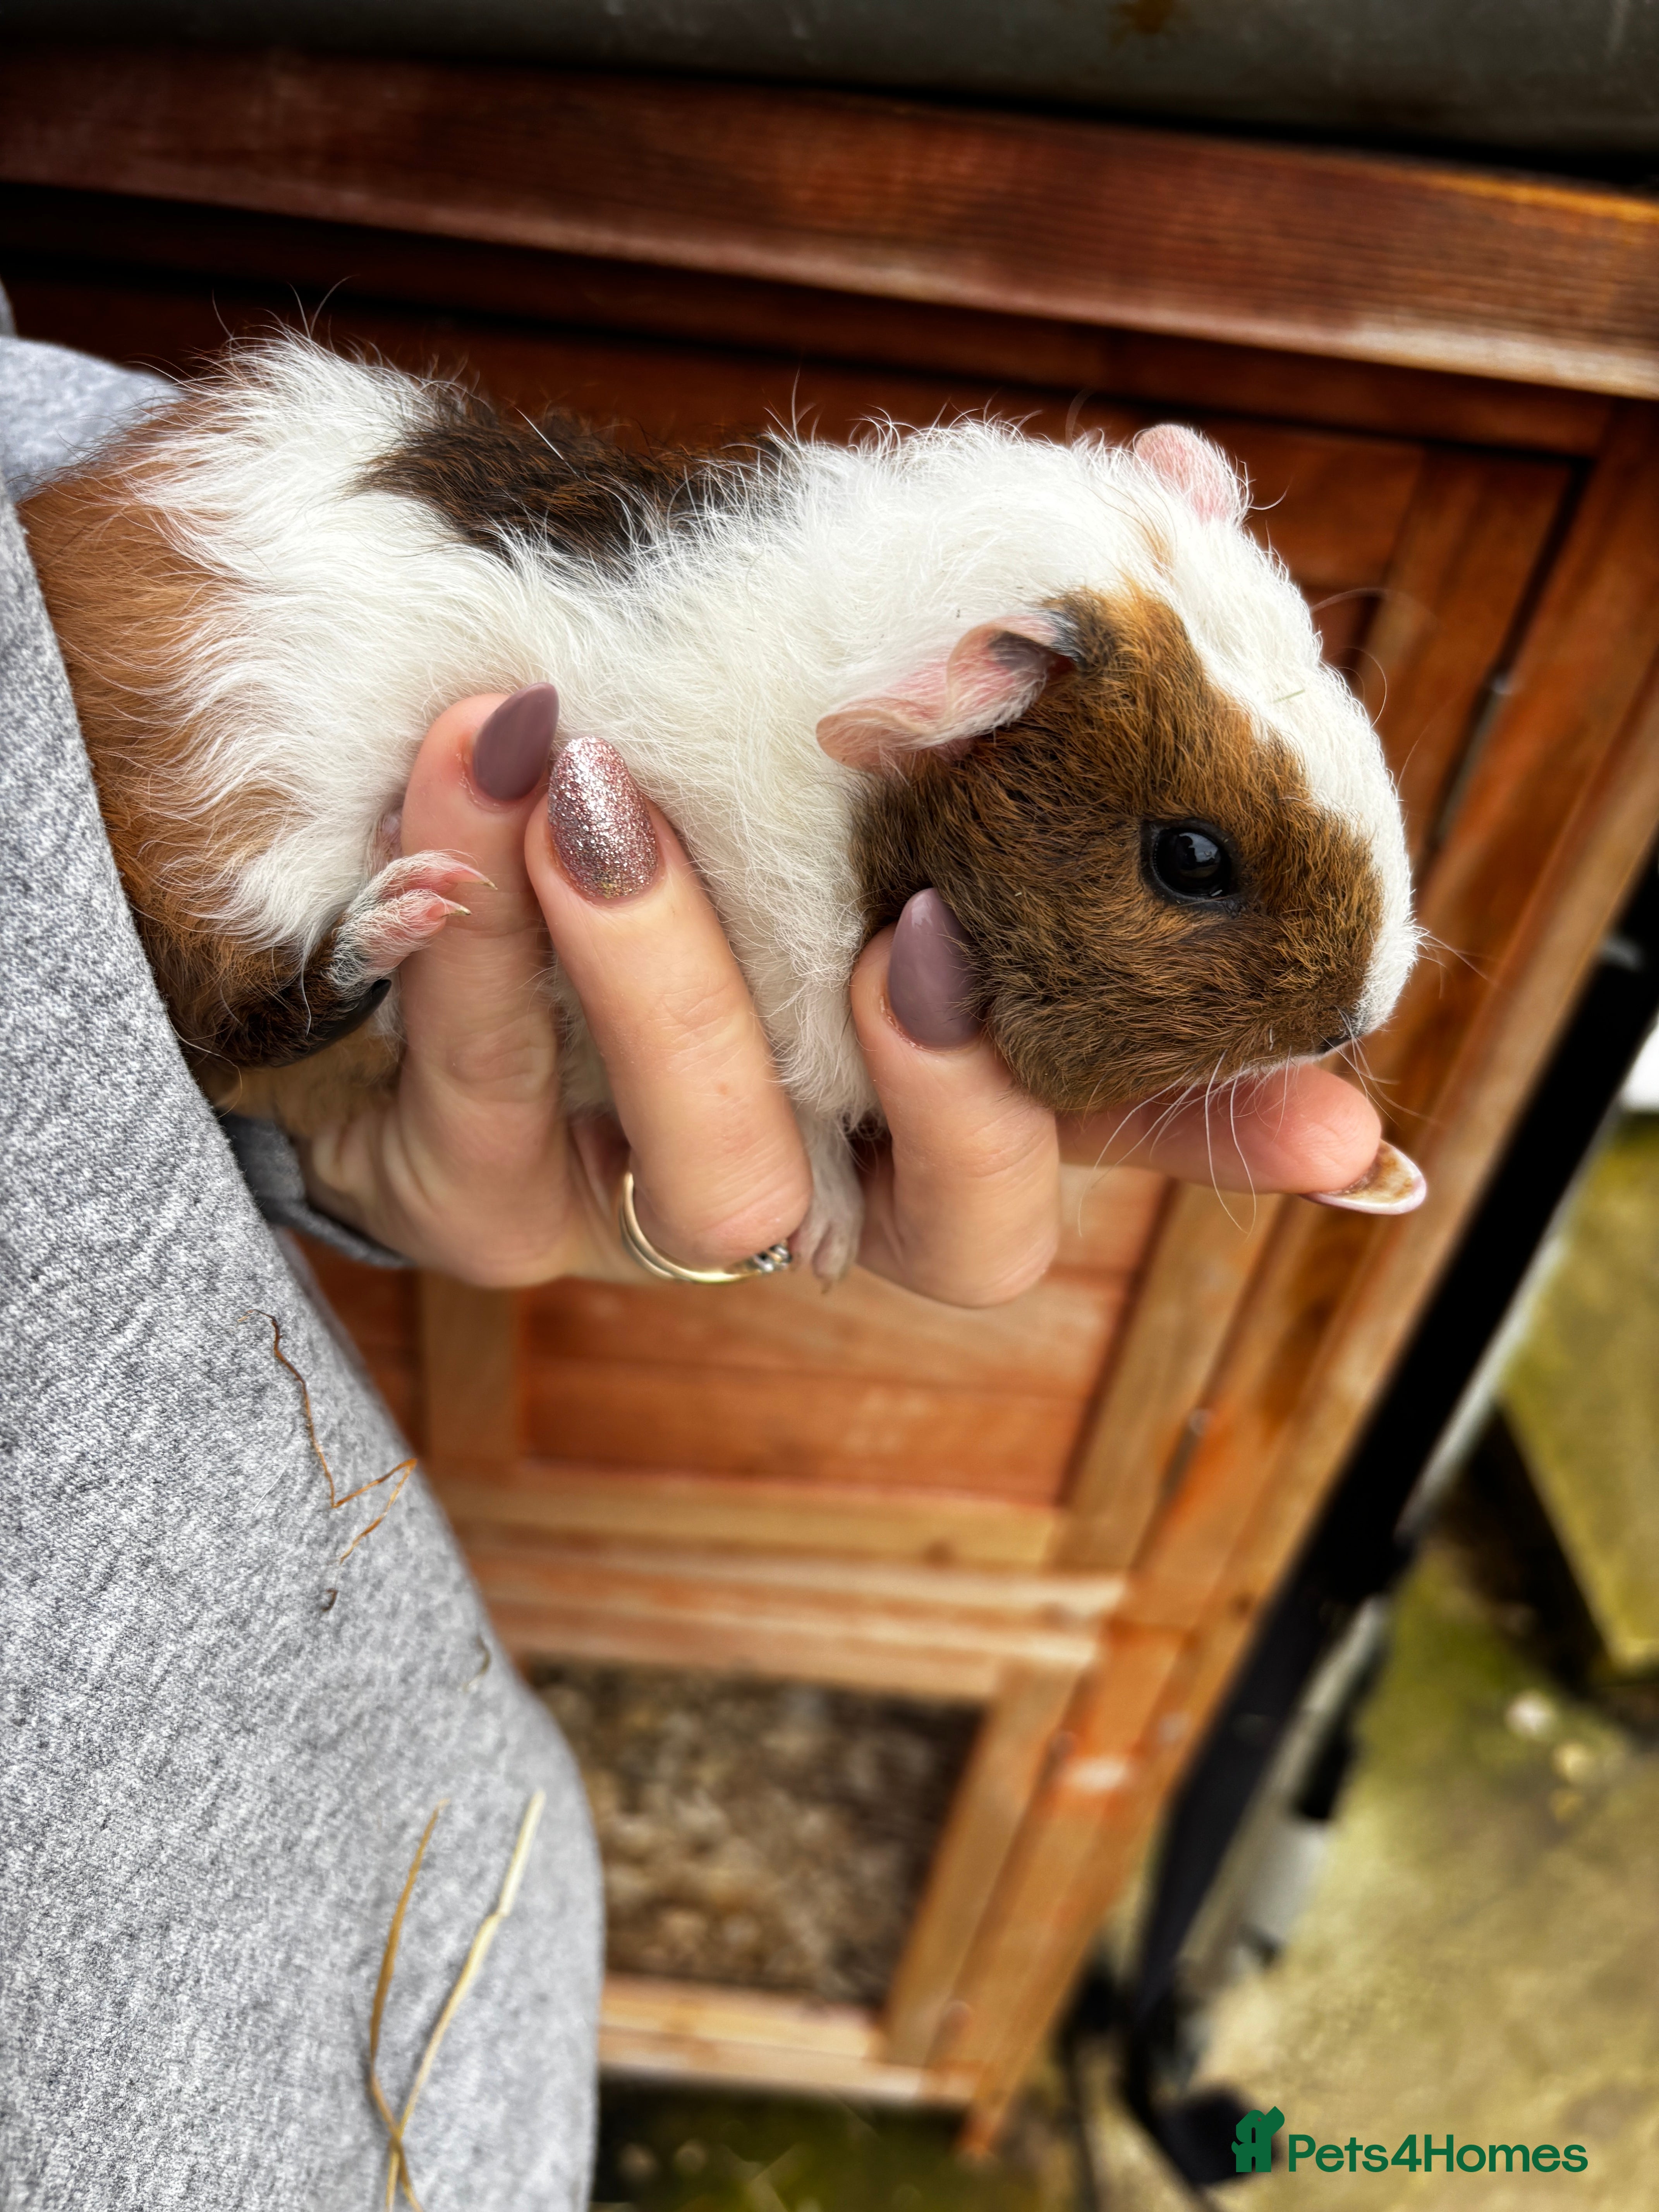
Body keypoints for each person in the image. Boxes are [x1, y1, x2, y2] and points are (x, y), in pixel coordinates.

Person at [0, 314, 1396, 2212]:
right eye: (1194, 871)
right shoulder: (843, 721)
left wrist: (310, 1141)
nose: (1342, 1005)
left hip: (401, 1956)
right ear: (965, 706)